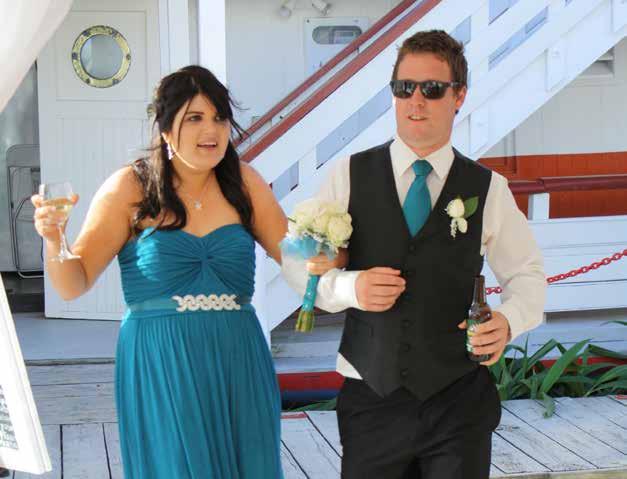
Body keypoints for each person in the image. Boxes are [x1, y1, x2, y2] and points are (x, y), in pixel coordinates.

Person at [32, 65, 341, 478]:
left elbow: (297, 258)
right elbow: (74, 284)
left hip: (238, 356)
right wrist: (54, 238)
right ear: (165, 128)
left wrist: (329, 254)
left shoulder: (244, 182)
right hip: (163, 360)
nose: (210, 129)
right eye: (194, 117)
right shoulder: (130, 187)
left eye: (219, 117)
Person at [282, 30, 547, 478]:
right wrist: (349, 287)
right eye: (404, 88)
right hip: (371, 402)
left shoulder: (488, 188)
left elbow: (528, 275)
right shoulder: (348, 174)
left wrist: (508, 320)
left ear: (459, 95)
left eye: (432, 88)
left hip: (458, 403)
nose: (416, 101)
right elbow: (296, 263)